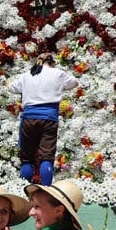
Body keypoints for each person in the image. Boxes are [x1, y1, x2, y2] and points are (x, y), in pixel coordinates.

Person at [10, 53, 78, 185]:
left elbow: (12, 87)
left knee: (27, 158)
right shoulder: (57, 73)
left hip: (29, 118)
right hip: (49, 119)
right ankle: (46, 189)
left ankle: (25, 190)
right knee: (47, 156)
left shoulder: (27, 75)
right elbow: (74, 83)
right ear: (52, 63)